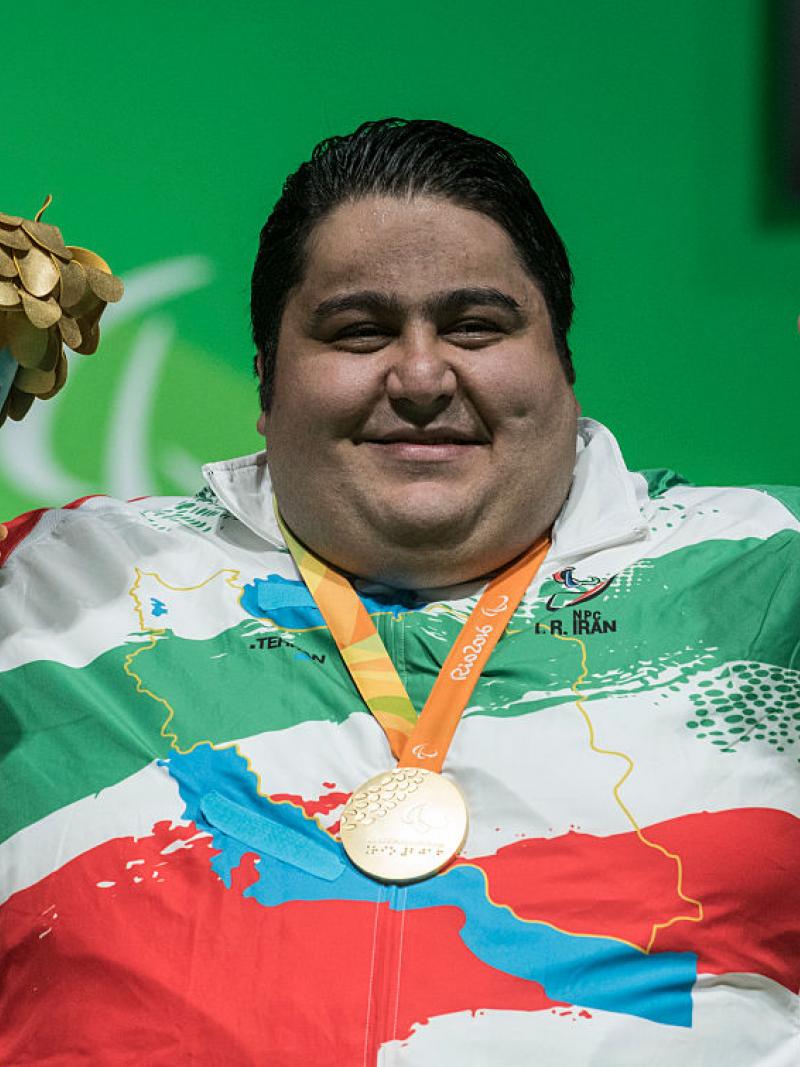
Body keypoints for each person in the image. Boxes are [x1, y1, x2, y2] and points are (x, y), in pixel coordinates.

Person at [0, 119, 798, 1066]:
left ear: (564, 364)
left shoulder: (765, 565)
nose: (421, 376)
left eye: (475, 326)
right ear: (266, 378)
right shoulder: (51, 580)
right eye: (359, 330)